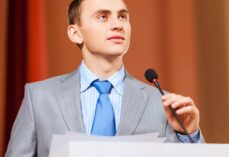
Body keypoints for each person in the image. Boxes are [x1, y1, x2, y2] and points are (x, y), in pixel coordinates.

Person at [5, 0, 204, 156]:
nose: (117, 25)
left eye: (123, 16)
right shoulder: (39, 97)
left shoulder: (163, 104)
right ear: (75, 33)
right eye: (103, 17)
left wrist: (189, 136)